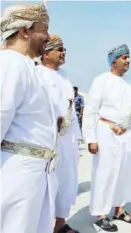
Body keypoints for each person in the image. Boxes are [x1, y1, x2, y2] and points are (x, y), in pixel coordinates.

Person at [0, 4, 59, 233]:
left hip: (32, 175)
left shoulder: (27, 66)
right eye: (44, 30)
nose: (48, 37)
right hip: (18, 175)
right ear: (25, 31)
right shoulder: (10, 63)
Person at [84, 44, 131, 232]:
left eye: (129, 57)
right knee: (105, 173)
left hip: (128, 135)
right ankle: (101, 214)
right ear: (113, 61)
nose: (128, 61)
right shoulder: (101, 81)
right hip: (106, 133)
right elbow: (91, 110)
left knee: (124, 173)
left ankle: (119, 209)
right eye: (124, 57)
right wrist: (91, 138)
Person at [37, 34, 82, 233]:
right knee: (46, 187)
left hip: (68, 141)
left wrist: (78, 137)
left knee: (66, 182)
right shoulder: (37, 74)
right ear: (46, 53)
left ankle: (60, 225)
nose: (64, 53)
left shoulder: (65, 76)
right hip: (48, 141)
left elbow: (71, 109)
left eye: (65, 50)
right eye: (60, 49)